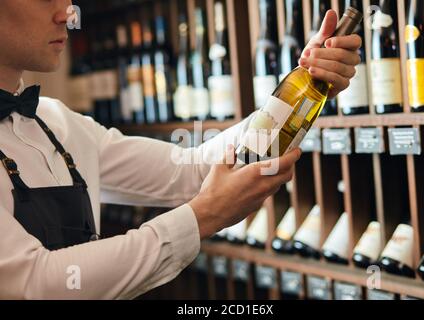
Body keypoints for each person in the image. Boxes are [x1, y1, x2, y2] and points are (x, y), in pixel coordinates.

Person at [0, 0, 362, 299]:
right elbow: (35, 282)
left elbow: (187, 171)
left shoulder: (58, 123)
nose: (68, 12)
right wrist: (202, 217)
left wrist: (303, 90)